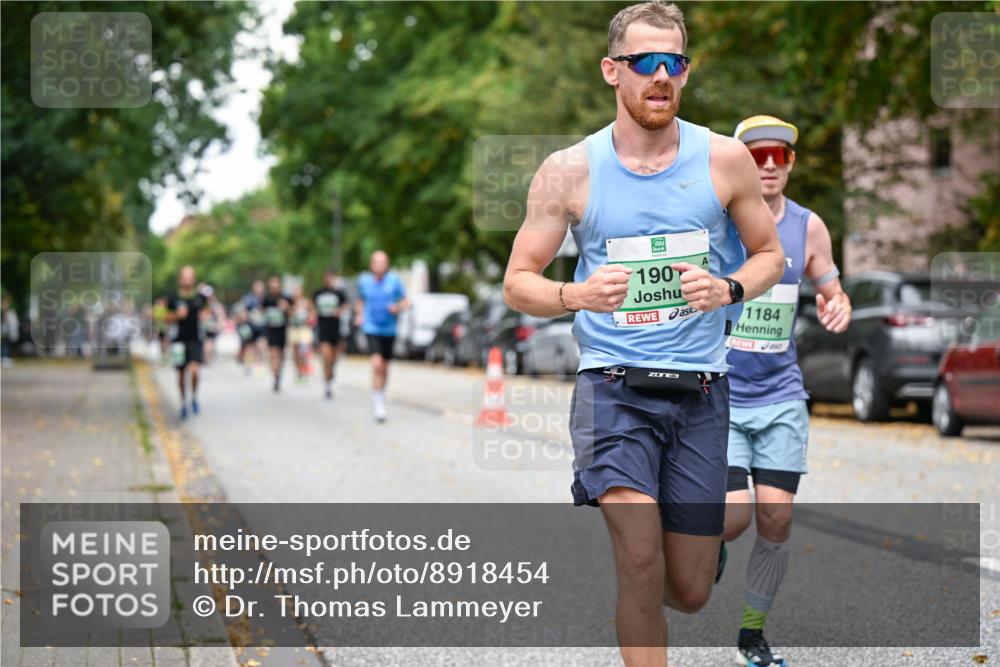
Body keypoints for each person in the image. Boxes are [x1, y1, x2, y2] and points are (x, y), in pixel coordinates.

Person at [501, 3, 785, 665]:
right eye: (645, 62)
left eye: (674, 63)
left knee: (685, 589)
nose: (661, 75)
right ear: (612, 71)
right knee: (637, 556)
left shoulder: (725, 159)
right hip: (612, 388)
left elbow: (769, 255)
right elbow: (519, 280)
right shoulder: (571, 170)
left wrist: (729, 288)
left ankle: (701, 550)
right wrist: (576, 293)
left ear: (686, 72)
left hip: (701, 392)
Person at [720, 115, 852, 667]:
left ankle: (752, 633)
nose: (771, 163)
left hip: (780, 396)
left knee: (775, 520)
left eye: (782, 155)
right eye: (759, 154)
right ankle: (706, 546)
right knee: (732, 519)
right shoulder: (718, 222)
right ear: (742, 161)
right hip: (721, 395)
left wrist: (835, 302)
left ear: (791, 163)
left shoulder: (808, 227)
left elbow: (830, 286)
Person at [355, 251, 408, 422]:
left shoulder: (394, 281)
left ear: (387, 265)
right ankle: (378, 403)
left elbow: (407, 301)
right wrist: (359, 314)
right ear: (371, 265)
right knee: (376, 363)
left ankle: (380, 394)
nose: (379, 265)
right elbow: (360, 300)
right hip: (371, 327)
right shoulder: (364, 281)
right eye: (376, 262)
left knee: (384, 367)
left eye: (382, 262)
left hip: (389, 330)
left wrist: (397, 307)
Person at [166, 266, 208, 419]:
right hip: (178, 341)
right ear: (180, 279)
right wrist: (177, 315)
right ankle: (183, 402)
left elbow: (208, 311)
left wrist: (206, 316)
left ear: (194, 279)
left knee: (195, 370)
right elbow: (165, 319)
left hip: (195, 339)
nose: (187, 280)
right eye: (184, 277)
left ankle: (194, 398)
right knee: (181, 374)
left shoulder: (199, 297)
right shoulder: (173, 298)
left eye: (190, 277)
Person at [314, 269, 349, 399]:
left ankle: (331, 373)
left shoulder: (339, 293)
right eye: (327, 277)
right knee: (326, 357)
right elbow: (312, 306)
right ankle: (327, 383)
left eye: (331, 277)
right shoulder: (318, 293)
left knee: (334, 358)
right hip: (323, 329)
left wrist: (340, 310)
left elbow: (346, 305)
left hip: (336, 329)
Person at [262, 276, 292, 393]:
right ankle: (275, 376)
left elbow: (292, 313)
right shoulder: (267, 299)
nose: (274, 285)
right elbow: (262, 312)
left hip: (282, 330)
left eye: (276, 283)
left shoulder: (285, 298)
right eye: (272, 283)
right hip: (270, 330)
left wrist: (286, 308)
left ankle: (278, 373)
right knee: (273, 353)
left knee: (281, 354)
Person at [287, 285, 314, 382]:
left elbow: (312, 313)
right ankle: (298, 371)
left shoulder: (306, 302)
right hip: (294, 329)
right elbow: (287, 316)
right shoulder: (290, 304)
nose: (296, 294)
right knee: (295, 352)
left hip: (304, 329)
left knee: (303, 350)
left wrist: (310, 317)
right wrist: (291, 310)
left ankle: (305, 368)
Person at [1, 295, 19, 368]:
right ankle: (4, 358)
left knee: (8, 342)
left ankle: (7, 357)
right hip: (4, 327)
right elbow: (4, 318)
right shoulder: (3, 306)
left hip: (8, 328)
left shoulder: (7, 307)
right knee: (4, 343)